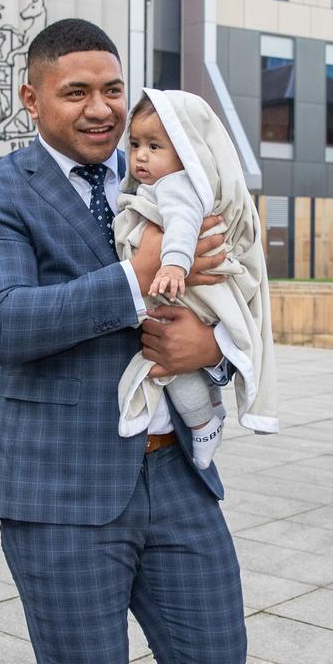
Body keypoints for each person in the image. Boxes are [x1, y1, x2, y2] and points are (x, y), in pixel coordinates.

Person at [0, 18, 248, 664]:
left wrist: (215, 351)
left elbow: (228, 292)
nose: (101, 108)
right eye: (76, 91)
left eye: (114, 90)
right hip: (60, 492)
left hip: (177, 473)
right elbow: (4, 322)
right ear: (32, 99)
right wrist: (134, 277)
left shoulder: (167, 180)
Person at [114, 89, 278, 469]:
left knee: (178, 380)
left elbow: (184, 225)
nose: (140, 155)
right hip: (168, 313)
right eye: (136, 143)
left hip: (178, 293)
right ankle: (209, 417)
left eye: (155, 146)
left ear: (188, 152)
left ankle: (204, 424)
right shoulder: (147, 186)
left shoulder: (176, 185)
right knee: (179, 376)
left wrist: (171, 265)